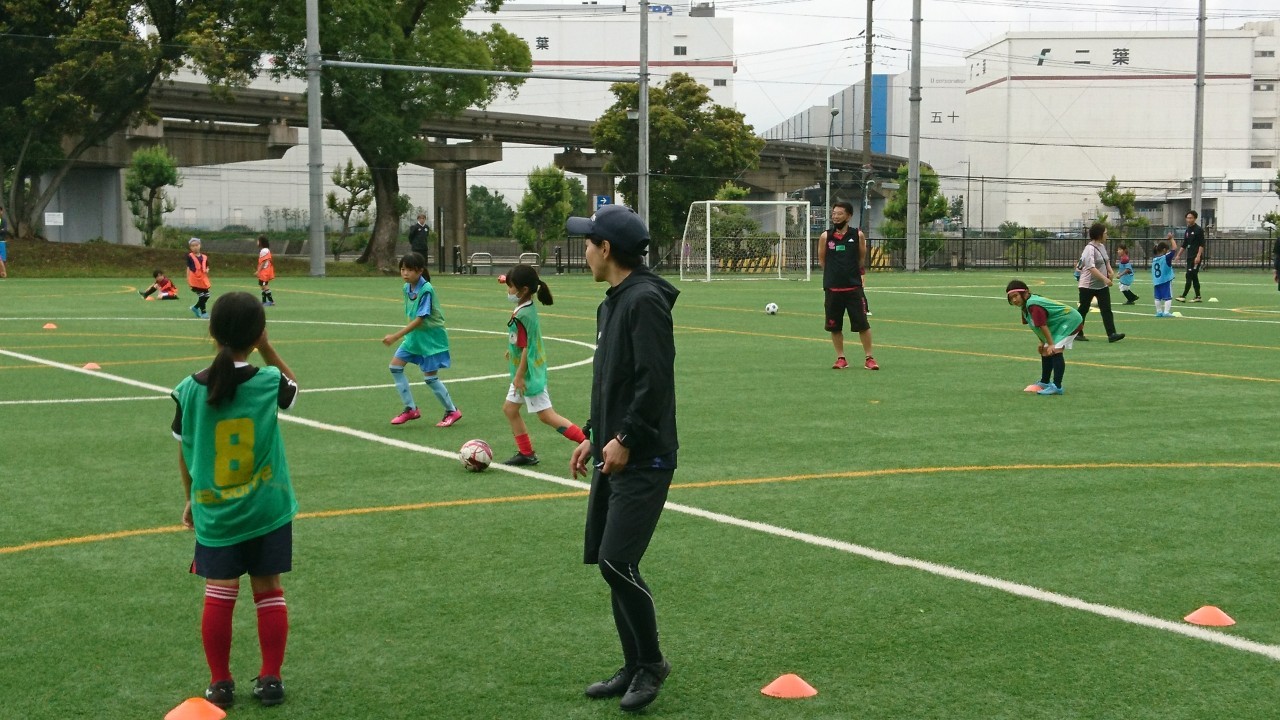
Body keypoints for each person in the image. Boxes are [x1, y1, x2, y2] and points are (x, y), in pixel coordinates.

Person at [566, 205, 679, 714]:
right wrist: (595, 434)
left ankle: (652, 664)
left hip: (645, 457)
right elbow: (611, 379)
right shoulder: (613, 302)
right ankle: (632, 664)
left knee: (617, 561)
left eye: (589, 242)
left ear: (606, 249)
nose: (584, 249)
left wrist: (628, 438)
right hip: (615, 452)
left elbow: (653, 382)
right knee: (611, 564)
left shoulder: (645, 301)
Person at [171, 291, 299, 709]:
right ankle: (271, 679)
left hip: (216, 510)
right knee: (269, 591)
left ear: (212, 331)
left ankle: (220, 682)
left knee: (219, 593)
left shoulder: (188, 390)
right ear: (257, 334)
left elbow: (185, 448)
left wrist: (190, 499)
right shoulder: (267, 381)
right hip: (268, 508)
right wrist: (268, 348)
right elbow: (293, 386)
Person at [500, 265, 587, 466]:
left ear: (522, 290)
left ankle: (587, 442)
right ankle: (526, 453)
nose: (508, 291)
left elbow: (527, 346)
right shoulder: (525, 308)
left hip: (529, 373)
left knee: (547, 416)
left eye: (510, 287)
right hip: (526, 370)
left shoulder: (523, 314)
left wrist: (520, 375)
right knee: (510, 409)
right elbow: (522, 341)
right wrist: (511, 350)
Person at [381, 252, 462, 427]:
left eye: (409, 270)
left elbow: (420, 319)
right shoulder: (406, 288)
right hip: (414, 338)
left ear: (420, 271)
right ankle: (410, 409)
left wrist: (396, 336)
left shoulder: (426, 290)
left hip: (431, 339)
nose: (405, 273)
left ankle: (452, 410)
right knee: (395, 367)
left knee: (430, 378)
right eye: (402, 269)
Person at [817, 200, 879, 370]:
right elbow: (823, 260)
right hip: (832, 288)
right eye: (834, 213)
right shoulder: (825, 236)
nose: (835, 217)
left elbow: (861, 259)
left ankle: (869, 358)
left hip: (853, 288)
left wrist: (852, 274)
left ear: (849, 216)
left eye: (839, 213)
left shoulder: (857, 235)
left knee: (862, 324)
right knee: (834, 325)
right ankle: (841, 358)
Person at [1006, 279, 1083, 396]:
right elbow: (1036, 326)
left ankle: (1057, 386)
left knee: (1056, 350)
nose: (1014, 300)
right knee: (1045, 351)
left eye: (1016, 296)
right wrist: (1042, 342)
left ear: (1025, 293)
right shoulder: (1025, 307)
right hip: (1059, 324)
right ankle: (1044, 382)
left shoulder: (1034, 306)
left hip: (1071, 320)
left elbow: (1042, 325)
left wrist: (1051, 343)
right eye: (1011, 298)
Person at [1074, 223, 1125, 343]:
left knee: (1106, 309)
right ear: (1099, 234)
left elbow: (1106, 261)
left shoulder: (1101, 246)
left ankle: (1111, 334)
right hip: (1087, 285)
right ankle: (1077, 332)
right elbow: (1091, 268)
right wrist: (1105, 279)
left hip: (1100, 286)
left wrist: (1110, 272)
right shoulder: (1089, 249)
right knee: (1083, 309)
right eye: (1105, 233)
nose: (1107, 235)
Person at [1175, 210, 1206, 302]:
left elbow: (1202, 244)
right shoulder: (1187, 230)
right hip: (1189, 257)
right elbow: (1184, 244)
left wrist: (1198, 256)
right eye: (1187, 218)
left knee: (1189, 275)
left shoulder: (1199, 230)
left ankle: (1183, 296)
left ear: (1195, 218)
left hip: (1195, 257)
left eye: (1191, 218)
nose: (1189, 219)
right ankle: (1198, 296)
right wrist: (1178, 255)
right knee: (1194, 276)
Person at [1150, 237, 1179, 317]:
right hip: (1165, 280)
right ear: (1164, 250)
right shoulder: (1166, 258)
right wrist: (1172, 239)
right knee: (1168, 297)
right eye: (1167, 250)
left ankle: (1159, 312)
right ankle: (1166, 312)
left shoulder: (1154, 259)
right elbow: (1174, 249)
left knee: (1157, 297)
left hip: (1156, 281)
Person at [187, 237, 213, 319]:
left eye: (196, 245)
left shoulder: (204, 257)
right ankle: (204, 312)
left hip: (203, 280)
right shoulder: (190, 256)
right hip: (195, 280)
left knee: (207, 295)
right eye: (193, 246)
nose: (195, 247)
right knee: (202, 296)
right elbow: (190, 267)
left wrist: (207, 269)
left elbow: (207, 265)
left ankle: (195, 307)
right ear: (190, 247)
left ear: (200, 245)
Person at [256, 235, 276, 306]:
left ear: (261, 242)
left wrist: (258, 271)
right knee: (262, 286)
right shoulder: (265, 250)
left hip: (265, 271)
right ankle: (264, 301)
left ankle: (271, 301)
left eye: (258, 241)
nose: (257, 242)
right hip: (264, 270)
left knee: (264, 285)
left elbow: (264, 261)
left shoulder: (264, 250)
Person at [0, 206, 8, 279]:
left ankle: (4, 274)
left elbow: (5, 230)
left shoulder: (4, 221)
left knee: (3, 259)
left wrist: (1, 230)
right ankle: (2, 272)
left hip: (1, 241)